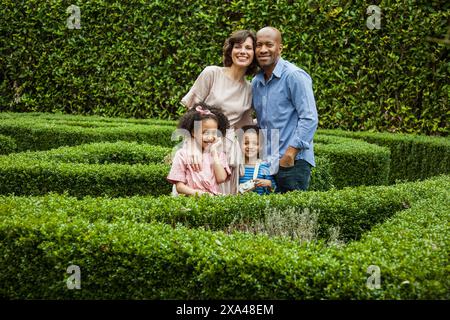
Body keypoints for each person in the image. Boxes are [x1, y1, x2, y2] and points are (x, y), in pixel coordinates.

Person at [181, 29, 258, 194]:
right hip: (201, 146)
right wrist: (191, 146)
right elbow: (190, 113)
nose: (243, 51)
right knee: (194, 191)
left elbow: (245, 126)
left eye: (248, 48)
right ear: (230, 51)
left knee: (222, 197)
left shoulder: (251, 89)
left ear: (254, 54)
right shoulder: (212, 73)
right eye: (238, 46)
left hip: (228, 151)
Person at [252, 27, 318, 193]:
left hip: (292, 162)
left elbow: (309, 118)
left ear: (280, 48)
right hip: (268, 163)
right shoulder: (257, 82)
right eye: (259, 45)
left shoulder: (294, 76)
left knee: (291, 215)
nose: (263, 50)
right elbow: (263, 121)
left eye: (269, 44)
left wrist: (290, 153)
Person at [167, 102, 231, 196]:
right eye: (205, 132)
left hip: (212, 202)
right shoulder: (182, 154)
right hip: (189, 201)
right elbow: (179, 186)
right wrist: (198, 194)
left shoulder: (219, 154)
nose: (210, 137)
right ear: (193, 133)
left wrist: (214, 153)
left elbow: (221, 178)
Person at [238, 125, 276, 195]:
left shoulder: (264, 167)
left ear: (261, 146)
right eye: (246, 143)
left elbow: (274, 189)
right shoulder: (237, 167)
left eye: (255, 144)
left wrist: (269, 183)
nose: (250, 146)